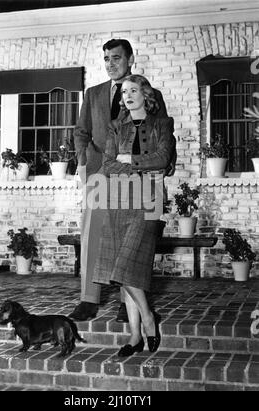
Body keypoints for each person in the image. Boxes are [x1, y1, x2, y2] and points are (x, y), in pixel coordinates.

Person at [69, 38, 174, 322]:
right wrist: (82, 161)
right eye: (106, 59)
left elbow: (161, 136)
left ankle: (129, 302)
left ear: (130, 60)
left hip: (140, 177)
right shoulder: (92, 94)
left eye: (116, 58)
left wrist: (158, 171)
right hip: (101, 173)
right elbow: (81, 131)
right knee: (93, 233)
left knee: (134, 238)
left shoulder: (149, 93)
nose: (110, 64)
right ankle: (89, 298)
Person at [93, 74, 176, 356]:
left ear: (145, 94)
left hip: (149, 201)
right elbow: (107, 166)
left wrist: (128, 160)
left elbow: (163, 159)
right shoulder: (116, 126)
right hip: (118, 201)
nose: (126, 95)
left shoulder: (162, 124)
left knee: (126, 266)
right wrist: (140, 165)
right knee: (127, 271)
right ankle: (134, 335)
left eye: (132, 90)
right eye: (123, 92)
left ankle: (149, 317)